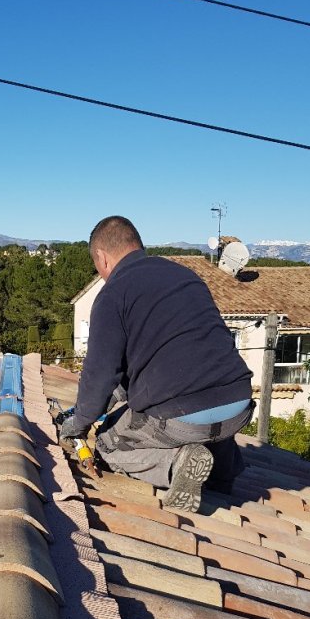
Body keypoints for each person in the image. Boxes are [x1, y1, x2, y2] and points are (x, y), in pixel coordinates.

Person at [60, 216, 253, 512]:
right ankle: (223, 471)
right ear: (136, 245)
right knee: (203, 410)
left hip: (182, 417)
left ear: (101, 257)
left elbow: (100, 376)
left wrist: (79, 423)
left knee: (108, 443)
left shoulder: (112, 294)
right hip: (238, 405)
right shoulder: (185, 277)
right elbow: (145, 366)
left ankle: (176, 465)